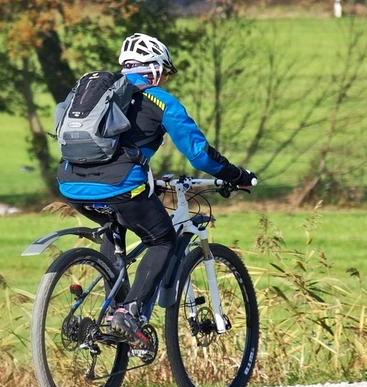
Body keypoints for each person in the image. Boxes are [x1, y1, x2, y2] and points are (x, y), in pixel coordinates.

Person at [57, 33, 257, 349]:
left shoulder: (97, 95)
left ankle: (108, 313)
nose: (163, 79)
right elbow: (199, 154)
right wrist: (238, 175)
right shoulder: (160, 100)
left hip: (70, 185)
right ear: (154, 69)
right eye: (163, 73)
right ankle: (129, 311)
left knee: (115, 226)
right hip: (122, 186)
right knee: (161, 238)